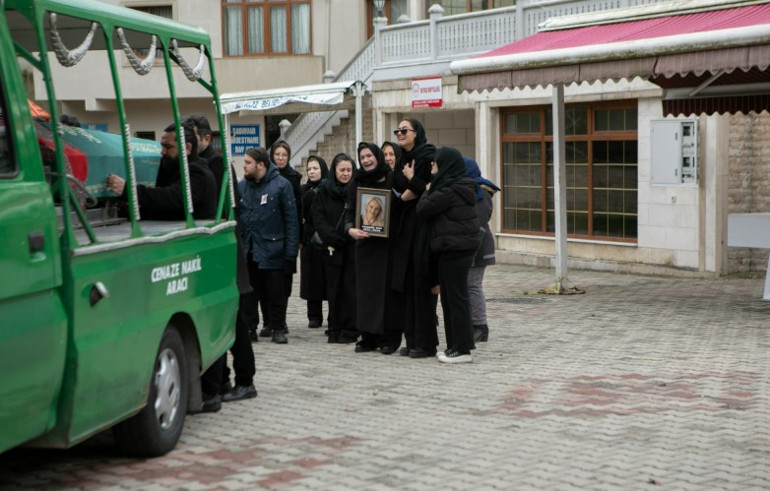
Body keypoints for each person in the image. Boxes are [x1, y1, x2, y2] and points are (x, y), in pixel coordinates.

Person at [416, 147, 481, 363]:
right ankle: (455, 346)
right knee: (451, 299)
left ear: (446, 165)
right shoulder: (456, 186)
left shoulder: (449, 190)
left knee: (456, 299)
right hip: (452, 248)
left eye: (436, 162)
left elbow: (423, 209)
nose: (432, 165)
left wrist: (427, 189)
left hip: (455, 249)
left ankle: (462, 349)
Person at [238, 147, 299, 344]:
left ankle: (278, 327)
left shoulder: (282, 185)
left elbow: (291, 221)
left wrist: (290, 254)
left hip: (274, 249)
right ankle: (249, 328)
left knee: (276, 293)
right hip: (249, 248)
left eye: (248, 163)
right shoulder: (242, 187)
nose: (244, 166)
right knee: (248, 293)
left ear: (260, 164)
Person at [346, 142, 403, 354]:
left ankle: (389, 338)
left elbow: (401, 207)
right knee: (366, 293)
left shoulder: (392, 178)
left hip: (388, 247)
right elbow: (349, 211)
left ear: (377, 156)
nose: (366, 160)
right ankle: (368, 336)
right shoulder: (356, 182)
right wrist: (350, 230)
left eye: (369, 155)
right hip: (365, 246)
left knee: (388, 295)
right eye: (362, 157)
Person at [392, 117, 438, 358]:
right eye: (397, 130)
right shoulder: (401, 160)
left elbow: (423, 190)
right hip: (405, 230)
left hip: (422, 227)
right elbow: (402, 191)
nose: (400, 134)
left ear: (417, 133)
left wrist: (410, 182)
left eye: (404, 130)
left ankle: (426, 343)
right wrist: (406, 192)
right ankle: (411, 340)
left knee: (421, 287)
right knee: (407, 287)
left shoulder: (427, 154)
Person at [106, 121, 217, 221]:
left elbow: (171, 198)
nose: (162, 152)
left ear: (187, 148)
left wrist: (128, 190)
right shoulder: (172, 167)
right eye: (162, 147)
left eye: (168, 147)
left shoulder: (199, 172)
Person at [312, 153, 358, 344]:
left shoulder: (356, 190)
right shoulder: (324, 191)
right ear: (334, 171)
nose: (346, 174)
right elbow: (318, 217)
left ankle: (350, 328)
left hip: (352, 247)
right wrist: (333, 237)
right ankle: (334, 327)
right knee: (334, 289)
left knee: (350, 289)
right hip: (331, 247)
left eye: (349, 170)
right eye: (342, 170)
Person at [262, 140, 301, 338]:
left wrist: (296, 239)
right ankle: (268, 321)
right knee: (267, 283)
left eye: (284, 155)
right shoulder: (264, 179)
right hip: (268, 237)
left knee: (283, 283)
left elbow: (297, 211)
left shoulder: (293, 179)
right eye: (277, 154)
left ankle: (280, 320)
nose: (280, 158)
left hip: (287, 237)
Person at [464, 157, 500, 343]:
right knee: (469, 286)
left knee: (473, 286)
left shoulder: (481, 194)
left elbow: (478, 224)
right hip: (472, 247)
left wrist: (469, 250)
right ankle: (472, 323)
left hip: (477, 249)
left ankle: (480, 325)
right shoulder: (471, 191)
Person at [300, 155, 329, 329]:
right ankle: (314, 315)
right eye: (309, 169)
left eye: (315, 168)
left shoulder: (329, 188)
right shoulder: (304, 190)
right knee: (312, 279)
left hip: (327, 238)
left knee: (328, 278)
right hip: (310, 239)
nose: (312, 172)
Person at [183, 113, 225, 194]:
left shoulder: (218, 163)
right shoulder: (186, 160)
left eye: (191, 137)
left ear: (206, 139)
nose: (187, 142)